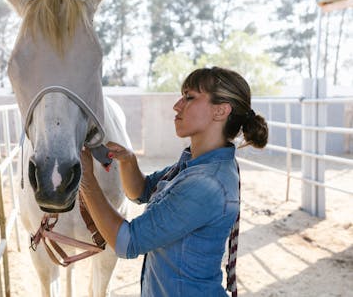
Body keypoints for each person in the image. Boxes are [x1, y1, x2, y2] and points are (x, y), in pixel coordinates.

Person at [79, 67, 268, 297]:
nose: (177, 105)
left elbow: (126, 242)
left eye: (189, 97)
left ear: (220, 111)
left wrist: (86, 181)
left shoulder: (205, 183)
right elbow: (141, 191)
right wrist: (128, 161)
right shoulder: (195, 163)